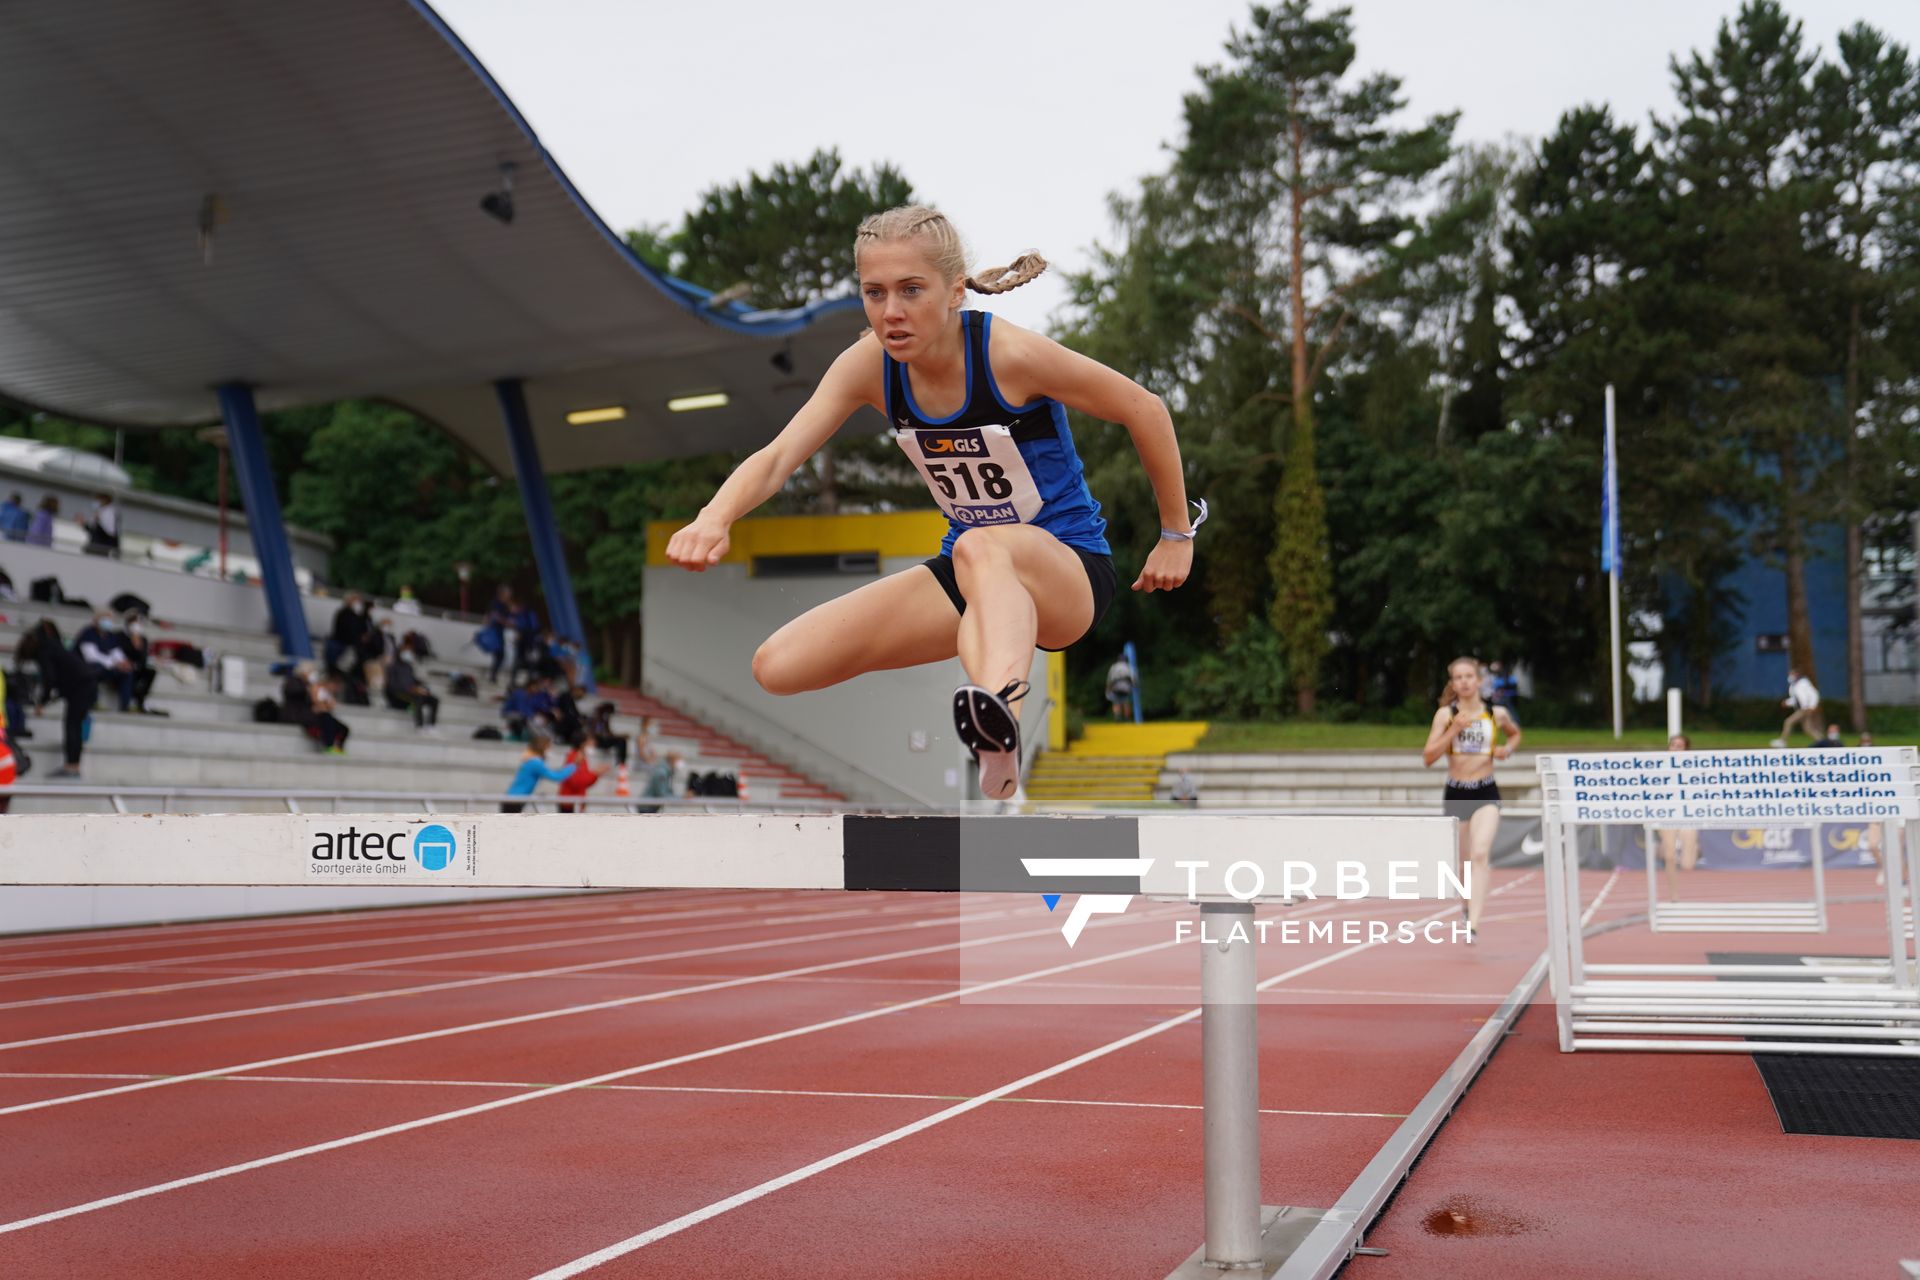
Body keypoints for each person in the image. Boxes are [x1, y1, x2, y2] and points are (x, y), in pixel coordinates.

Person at [664, 204, 1200, 800]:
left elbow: (1144, 408)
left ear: (955, 290)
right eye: (874, 293)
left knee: (978, 544)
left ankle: (1002, 720)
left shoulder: (1008, 356)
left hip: (1068, 571)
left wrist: (1176, 534)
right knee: (779, 666)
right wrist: (713, 517)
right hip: (971, 572)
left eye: (911, 290)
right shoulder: (869, 367)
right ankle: (992, 712)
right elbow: (778, 455)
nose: (890, 313)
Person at [1421, 655, 1524, 940]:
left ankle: (1474, 923)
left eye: (1469, 676)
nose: (1464, 682)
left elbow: (1515, 736)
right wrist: (1454, 730)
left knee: (1480, 853)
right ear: (1453, 684)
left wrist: (1507, 749)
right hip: (1456, 793)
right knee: (1463, 861)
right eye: (1458, 678)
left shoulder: (1496, 713)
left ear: (1479, 681)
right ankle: (1466, 907)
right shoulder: (1445, 715)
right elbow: (1428, 757)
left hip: (1486, 790)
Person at [15, 618, 97, 778]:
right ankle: (73, 766)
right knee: (74, 725)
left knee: (72, 726)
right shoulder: (53, 646)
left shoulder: (44, 651)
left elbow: (50, 679)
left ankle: (72, 767)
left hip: (81, 687)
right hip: (85, 683)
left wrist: (42, 702)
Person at [1653, 733, 1700, 901]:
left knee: (1688, 865)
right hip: (1667, 814)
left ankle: (1695, 848)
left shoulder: (1695, 769)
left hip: (1688, 814)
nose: (1675, 749)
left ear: (1686, 750)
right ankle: (1674, 894)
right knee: (1670, 856)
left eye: (1679, 746)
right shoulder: (1659, 768)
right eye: (1672, 745)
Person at [74, 611, 137, 712]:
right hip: (86, 668)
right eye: (104, 619)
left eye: (109, 619)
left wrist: (124, 662)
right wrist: (115, 664)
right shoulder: (88, 634)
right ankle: (93, 701)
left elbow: (117, 653)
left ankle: (126, 705)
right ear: (96, 621)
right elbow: (91, 657)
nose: (107, 622)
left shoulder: (111, 636)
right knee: (95, 668)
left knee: (127, 671)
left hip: (107, 667)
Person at [502, 730, 575, 813]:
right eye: (549, 747)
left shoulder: (533, 761)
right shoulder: (535, 763)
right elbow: (556, 777)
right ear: (543, 747)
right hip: (514, 801)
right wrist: (574, 766)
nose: (551, 750)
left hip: (515, 799)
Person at [383, 641, 440, 731]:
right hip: (398, 695)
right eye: (407, 651)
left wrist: (423, 688)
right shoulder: (393, 666)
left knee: (434, 700)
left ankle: (431, 726)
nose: (409, 654)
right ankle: (419, 726)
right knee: (418, 699)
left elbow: (413, 681)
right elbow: (392, 686)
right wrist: (411, 689)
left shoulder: (408, 667)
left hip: (412, 693)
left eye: (410, 651)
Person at [1774, 667, 1821, 747]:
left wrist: (1812, 705)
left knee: (1788, 722)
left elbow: (1814, 694)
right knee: (1808, 729)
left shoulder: (1803, 683)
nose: (1790, 676)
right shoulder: (1794, 686)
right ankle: (1822, 742)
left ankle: (1783, 741)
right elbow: (1795, 699)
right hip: (1803, 708)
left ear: (1796, 675)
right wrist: (1787, 703)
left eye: (1791, 674)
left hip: (1805, 709)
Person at [555, 735, 601, 813]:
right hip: (568, 802)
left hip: (575, 801)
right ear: (582, 744)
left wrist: (595, 775)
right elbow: (576, 782)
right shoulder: (573, 757)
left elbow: (583, 782)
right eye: (590, 742)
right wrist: (595, 774)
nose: (593, 744)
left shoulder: (582, 758)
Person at [83, 492, 120, 557]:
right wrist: (84, 525)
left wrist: (99, 520)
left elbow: (110, 532)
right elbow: (93, 531)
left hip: (103, 547)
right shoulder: (100, 511)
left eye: (98, 500)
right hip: (95, 545)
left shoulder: (110, 512)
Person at [1105, 652, 1136, 722]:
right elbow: (1133, 679)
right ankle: (1127, 718)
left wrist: (1108, 688)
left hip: (1116, 687)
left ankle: (1117, 717)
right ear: (1125, 660)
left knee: (1116, 703)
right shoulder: (1128, 667)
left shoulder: (1114, 667)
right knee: (1126, 702)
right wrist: (1134, 686)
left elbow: (1110, 679)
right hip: (1126, 687)